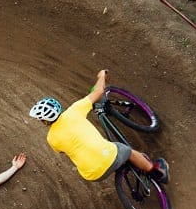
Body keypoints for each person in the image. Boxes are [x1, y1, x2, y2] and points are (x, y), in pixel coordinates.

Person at [29, 69, 169, 184]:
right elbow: (99, 91)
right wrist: (102, 75)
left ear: (44, 121)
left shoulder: (51, 139)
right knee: (129, 152)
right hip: (109, 157)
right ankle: (158, 173)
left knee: (105, 154)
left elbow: (62, 151)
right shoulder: (74, 110)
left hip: (91, 175)